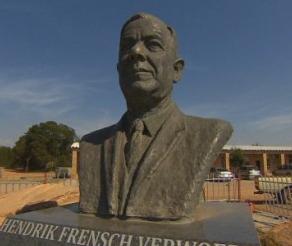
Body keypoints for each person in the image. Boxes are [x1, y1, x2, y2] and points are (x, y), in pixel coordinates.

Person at [79, 13, 232, 220]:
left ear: (176, 70)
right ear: (118, 70)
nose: (136, 52)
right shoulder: (91, 144)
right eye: (127, 46)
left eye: (152, 45)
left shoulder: (209, 134)